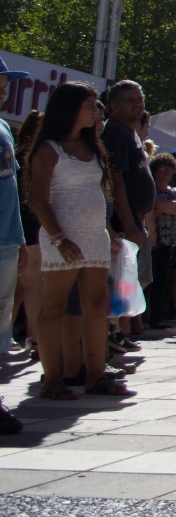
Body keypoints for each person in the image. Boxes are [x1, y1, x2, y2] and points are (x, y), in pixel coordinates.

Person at [25, 82, 125, 398]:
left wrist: (108, 231)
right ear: (70, 109)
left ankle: (96, 375)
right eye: (91, 105)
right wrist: (58, 238)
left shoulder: (92, 147)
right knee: (54, 305)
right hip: (62, 238)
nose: (97, 112)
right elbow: (39, 199)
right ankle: (51, 379)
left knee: (95, 304)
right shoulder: (48, 149)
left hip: (93, 236)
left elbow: (97, 194)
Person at [102, 80, 152, 348]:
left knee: (135, 279)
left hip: (136, 218)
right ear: (113, 106)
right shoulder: (115, 132)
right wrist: (129, 222)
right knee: (120, 280)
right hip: (123, 221)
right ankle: (110, 333)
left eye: (140, 98)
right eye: (130, 99)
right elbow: (116, 179)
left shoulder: (130, 132)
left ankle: (119, 332)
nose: (138, 103)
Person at [0, 58, 29, 430]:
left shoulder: (5, 126)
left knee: (2, 318)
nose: (4, 89)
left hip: (6, 237)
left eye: (5, 84)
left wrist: (20, 239)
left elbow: (12, 188)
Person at [148, 154, 176, 325]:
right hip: (154, 240)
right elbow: (156, 205)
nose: (166, 173)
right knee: (150, 278)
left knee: (164, 280)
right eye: (163, 169)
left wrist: (166, 207)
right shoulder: (151, 189)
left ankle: (158, 314)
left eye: (169, 170)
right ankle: (147, 314)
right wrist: (171, 207)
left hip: (172, 242)